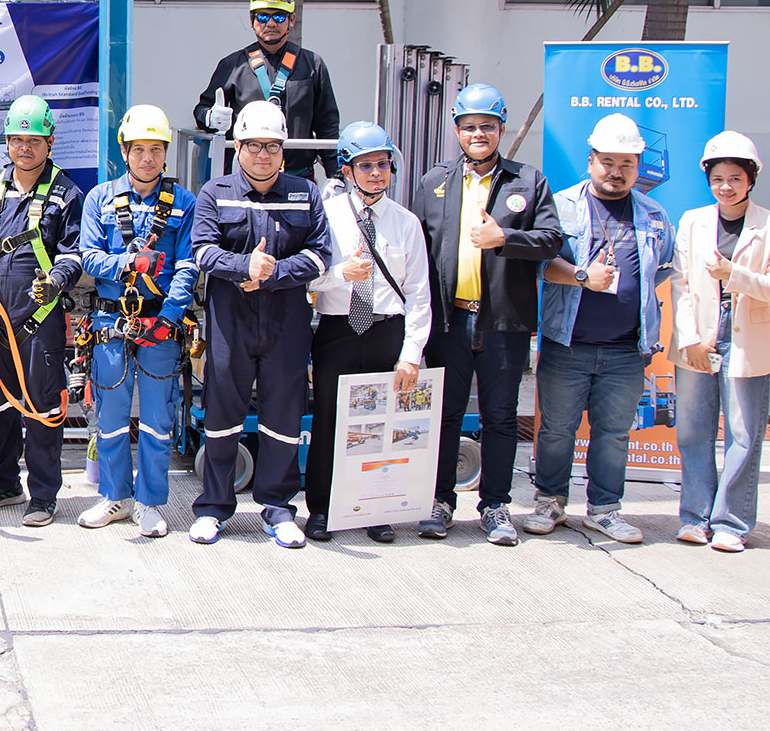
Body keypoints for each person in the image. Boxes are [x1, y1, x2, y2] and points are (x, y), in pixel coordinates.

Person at [411, 83, 562, 544]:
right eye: (470, 126)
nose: (479, 134)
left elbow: (552, 240)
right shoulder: (434, 182)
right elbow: (418, 250)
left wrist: (506, 240)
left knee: (500, 416)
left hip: (503, 323)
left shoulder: (527, 181)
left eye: (488, 126)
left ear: (501, 129)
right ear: (457, 130)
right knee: (445, 414)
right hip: (449, 321)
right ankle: (439, 502)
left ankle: (495, 506)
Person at [528, 113, 678, 545]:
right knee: (557, 430)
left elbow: (662, 268)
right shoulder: (561, 206)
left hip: (627, 349)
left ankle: (605, 511)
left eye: (626, 163)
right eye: (608, 161)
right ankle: (550, 502)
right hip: (567, 343)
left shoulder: (653, 214)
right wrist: (582, 277)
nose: (616, 171)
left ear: (637, 165)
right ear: (591, 160)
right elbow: (540, 263)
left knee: (613, 434)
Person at [190, 101, 331, 548]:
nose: (263, 155)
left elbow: (320, 256)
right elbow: (202, 251)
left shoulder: (305, 193)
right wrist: (243, 267)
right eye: (253, 146)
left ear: (283, 150)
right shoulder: (215, 192)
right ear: (238, 147)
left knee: (283, 417)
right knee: (222, 416)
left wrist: (272, 274)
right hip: (230, 323)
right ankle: (213, 508)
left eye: (271, 146)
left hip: (287, 324)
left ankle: (278, 509)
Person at [304, 123, 432, 544]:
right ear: (346, 170)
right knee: (329, 419)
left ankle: (376, 508)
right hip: (338, 329)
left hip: (386, 331)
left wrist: (411, 352)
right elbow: (308, 278)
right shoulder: (325, 215)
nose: (376, 173)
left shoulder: (406, 223)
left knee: (381, 424)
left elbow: (419, 292)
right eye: (365, 166)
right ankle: (322, 509)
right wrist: (342, 273)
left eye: (382, 164)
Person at [670, 131, 770, 553]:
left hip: (745, 335)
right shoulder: (693, 221)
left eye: (735, 178)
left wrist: (733, 274)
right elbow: (681, 285)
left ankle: (731, 523)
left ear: (751, 179)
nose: (726, 186)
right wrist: (690, 339)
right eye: (718, 178)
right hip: (699, 333)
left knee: (743, 433)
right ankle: (695, 517)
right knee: (692, 430)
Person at [77, 105, 196, 539]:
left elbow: (188, 265)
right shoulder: (100, 198)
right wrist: (127, 262)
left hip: (160, 327)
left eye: (156, 150)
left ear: (166, 153)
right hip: (111, 323)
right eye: (139, 149)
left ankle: (149, 502)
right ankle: (116, 496)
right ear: (124, 152)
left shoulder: (183, 203)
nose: (148, 158)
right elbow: (89, 256)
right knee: (110, 417)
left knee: (157, 421)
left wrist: (169, 317)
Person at [0, 95, 84, 526]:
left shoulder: (66, 194)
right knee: (0, 403)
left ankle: (44, 494)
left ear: (50, 141)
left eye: (34, 140)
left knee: (42, 405)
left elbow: (74, 253)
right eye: (18, 140)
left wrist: (57, 279)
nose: (25, 148)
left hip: (39, 319)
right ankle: (4, 482)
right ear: (7, 142)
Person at [192, 0, 341, 179]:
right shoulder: (233, 66)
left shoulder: (313, 65)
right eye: (263, 17)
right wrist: (211, 118)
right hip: (243, 179)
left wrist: (336, 176)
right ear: (252, 20)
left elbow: (327, 125)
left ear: (292, 19)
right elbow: (201, 110)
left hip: (298, 177)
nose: (270, 23)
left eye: (279, 17)